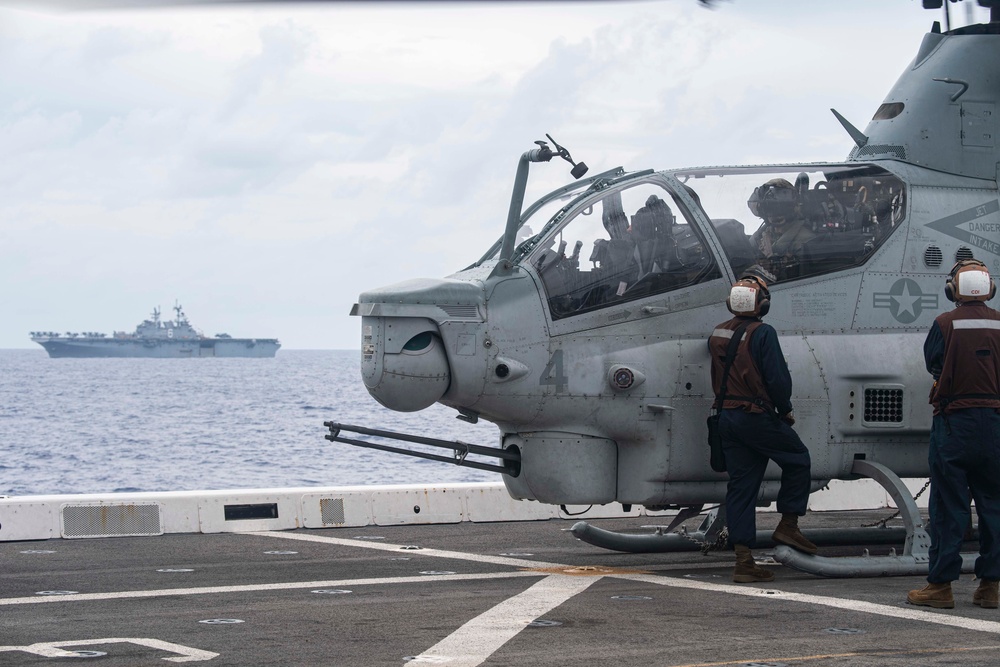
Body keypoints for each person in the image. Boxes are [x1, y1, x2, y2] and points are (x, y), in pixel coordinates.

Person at [708, 269, 817, 583]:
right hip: (755, 416)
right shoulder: (763, 333)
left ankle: (744, 561)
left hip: (726, 418)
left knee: (742, 486)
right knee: (798, 459)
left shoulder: (718, 332)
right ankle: (788, 526)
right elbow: (777, 378)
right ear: (762, 304)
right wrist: (785, 409)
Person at [907, 259, 1000, 610]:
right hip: (994, 421)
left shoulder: (944, 324)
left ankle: (941, 586)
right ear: (989, 288)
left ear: (953, 290)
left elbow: (934, 362)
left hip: (954, 423)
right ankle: (990, 585)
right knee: (994, 504)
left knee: (948, 506)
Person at [747, 178, 815, 280]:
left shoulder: (805, 241)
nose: (774, 214)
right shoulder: (763, 235)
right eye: (768, 207)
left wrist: (771, 259)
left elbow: (798, 280)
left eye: (780, 207)